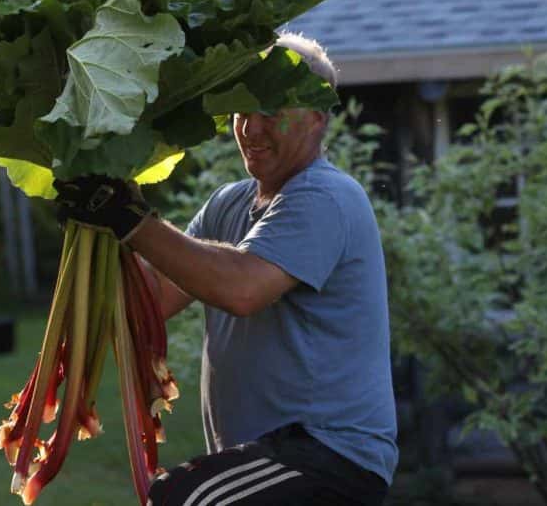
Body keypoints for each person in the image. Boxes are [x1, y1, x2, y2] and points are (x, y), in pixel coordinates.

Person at [55, 32, 397, 505]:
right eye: (241, 111)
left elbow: (243, 287)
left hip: (329, 454)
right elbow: (150, 301)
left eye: (270, 112)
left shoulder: (327, 197)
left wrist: (130, 219)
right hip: (266, 458)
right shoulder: (230, 203)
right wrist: (95, 234)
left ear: (318, 118)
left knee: (183, 500)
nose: (251, 129)